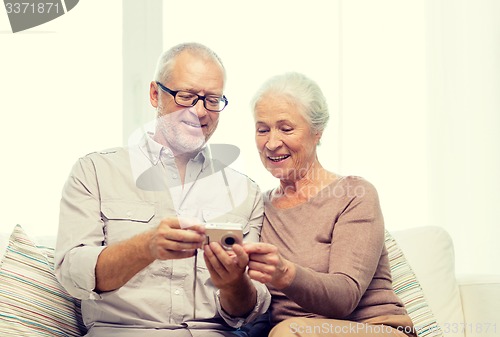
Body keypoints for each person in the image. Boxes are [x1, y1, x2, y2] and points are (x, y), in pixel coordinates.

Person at [54, 42, 270, 337]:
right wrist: (145, 247)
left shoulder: (246, 192)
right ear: (156, 94)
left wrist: (234, 284)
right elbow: (72, 273)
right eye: (187, 96)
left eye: (212, 100)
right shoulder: (95, 172)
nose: (199, 111)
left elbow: (247, 311)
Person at [244, 72, 416, 337]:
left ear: (317, 132)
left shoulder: (355, 194)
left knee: (289, 333)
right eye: (262, 129)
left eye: (286, 128)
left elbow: (344, 297)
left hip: (373, 328)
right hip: (290, 332)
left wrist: (286, 273)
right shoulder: (258, 208)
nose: (272, 143)